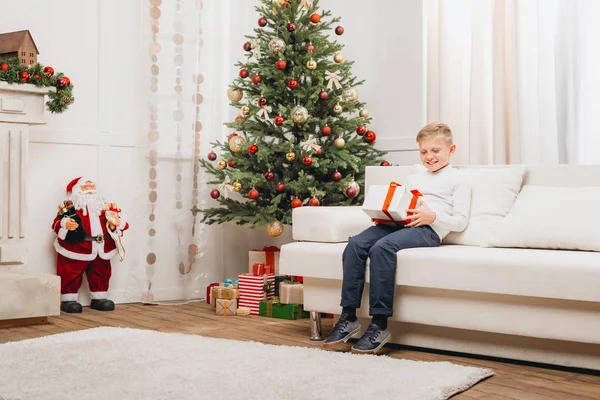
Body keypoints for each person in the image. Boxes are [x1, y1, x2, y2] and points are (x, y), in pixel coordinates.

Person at [324, 122, 472, 354]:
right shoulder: (414, 178)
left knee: (382, 248)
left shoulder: (459, 179)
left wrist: (433, 217)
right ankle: (348, 316)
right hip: (399, 224)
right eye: (424, 152)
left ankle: (379, 324)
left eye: (435, 151)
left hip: (428, 230)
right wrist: (387, 214)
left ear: (451, 150)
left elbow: (461, 220)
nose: (429, 157)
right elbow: (403, 203)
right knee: (356, 243)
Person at [51, 177, 128, 313]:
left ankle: (99, 297)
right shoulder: (70, 208)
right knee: (70, 273)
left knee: (101, 272)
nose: (89, 189)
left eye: (91, 186)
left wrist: (117, 222)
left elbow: (122, 224)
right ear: (76, 191)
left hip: (101, 248)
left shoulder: (105, 207)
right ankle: (68, 299)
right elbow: (56, 223)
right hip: (77, 248)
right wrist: (65, 223)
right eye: (85, 187)